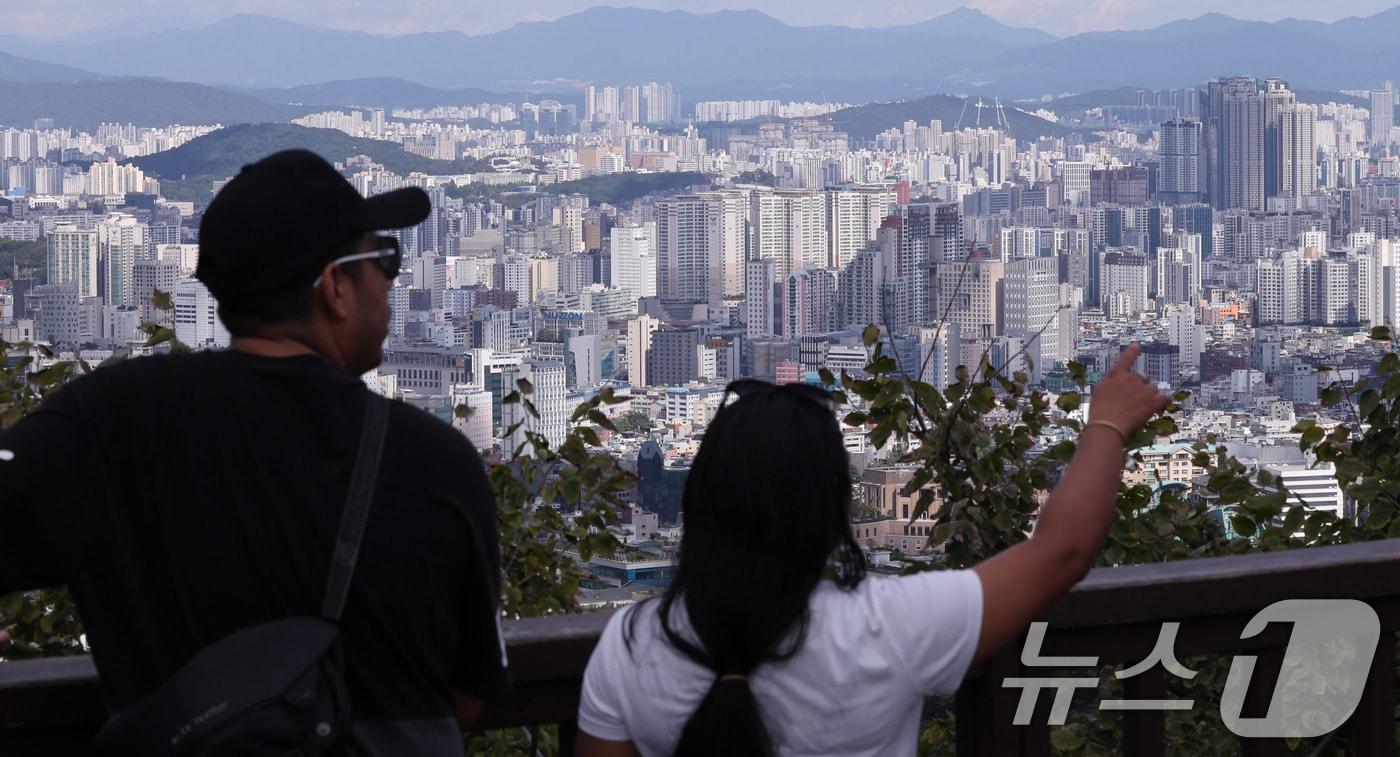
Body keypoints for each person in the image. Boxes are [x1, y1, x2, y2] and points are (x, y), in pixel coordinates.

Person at [0, 149, 508, 752]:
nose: (393, 280)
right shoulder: (433, 460)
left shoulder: (106, 422)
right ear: (335, 288)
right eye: (385, 258)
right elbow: (471, 696)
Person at [575, 343, 1171, 756]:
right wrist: (1107, 424)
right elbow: (1061, 552)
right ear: (833, 509)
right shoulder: (887, 625)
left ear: (700, 499)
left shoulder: (631, 646)